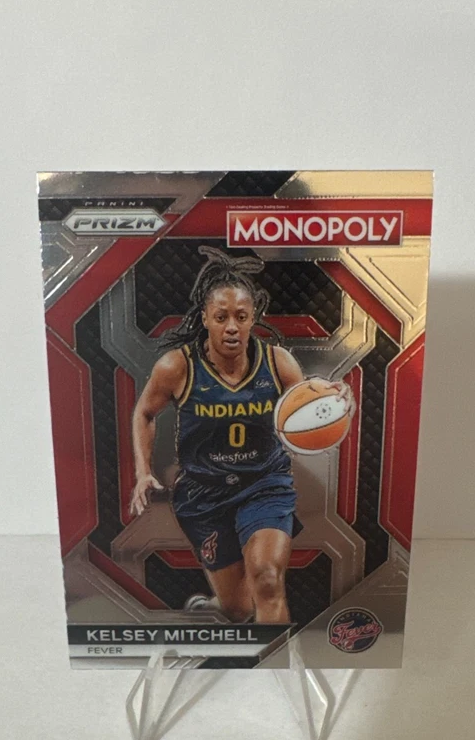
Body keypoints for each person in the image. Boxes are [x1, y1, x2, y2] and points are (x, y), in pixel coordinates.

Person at [130, 246, 347, 624]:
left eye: (241, 317)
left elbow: (305, 402)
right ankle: (220, 607)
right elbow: (145, 413)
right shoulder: (177, 366)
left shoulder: (277, 361)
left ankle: (277, 659)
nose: (231, 326)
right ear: (206, 319)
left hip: (264, 485)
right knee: (238, 608)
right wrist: (143, 472)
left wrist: (332, 399)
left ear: (253, 318)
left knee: (267, 579)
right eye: (221, 317)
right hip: (204, 494)